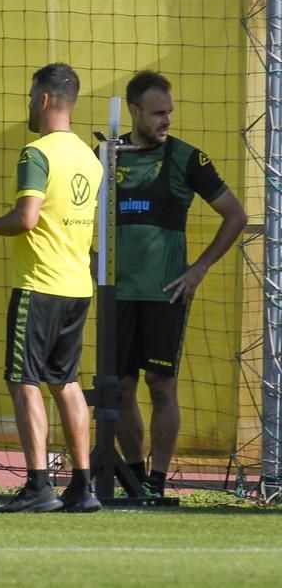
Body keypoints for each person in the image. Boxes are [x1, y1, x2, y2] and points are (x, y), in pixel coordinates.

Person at [0, 63, 102, 513]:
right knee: (66, 382)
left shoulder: (36, 153)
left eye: (31, 97)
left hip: (39, 283)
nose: (29, 105)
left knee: (22, 380)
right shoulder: (89, 156)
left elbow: (27, 218)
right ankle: (83, 487)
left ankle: (38, 485)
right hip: (77, 285)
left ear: (44, 100)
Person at [113, 71, 247, 498]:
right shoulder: (108, 159)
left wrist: (199, 268)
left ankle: (158, 481)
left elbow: (236, 216)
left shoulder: (188, 159)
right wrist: (91, 257)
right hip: (117, 294)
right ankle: (133, 480)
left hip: (164, 295)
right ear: (134, 112)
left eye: (169, 112)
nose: (166, 120)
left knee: (160, 386)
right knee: (119, 388)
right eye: (158, 113)